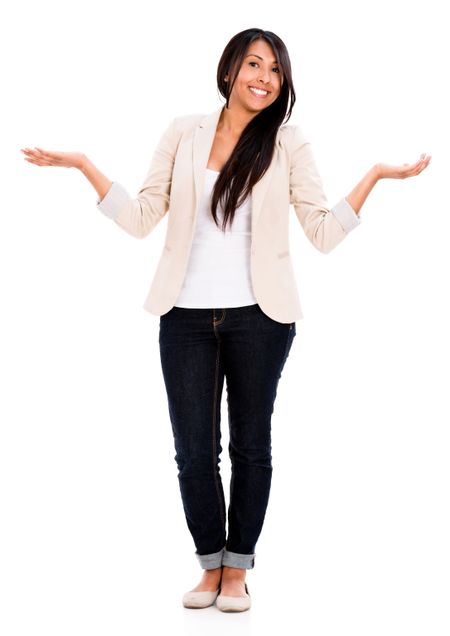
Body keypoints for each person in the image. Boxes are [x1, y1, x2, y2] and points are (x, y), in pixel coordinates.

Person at [20, 27, 431, 613]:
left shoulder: (287, 143)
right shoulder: (183, 132)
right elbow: (141, 218)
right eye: (254, 65)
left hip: (261, 318)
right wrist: (84, 164)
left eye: (275, 70)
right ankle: (209, 564)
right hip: (183, 317)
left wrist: (374, 178)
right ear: (230, 69)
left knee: (251, 448)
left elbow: (321, 233)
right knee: (193, 451)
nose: (264, 78)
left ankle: (238, 569)